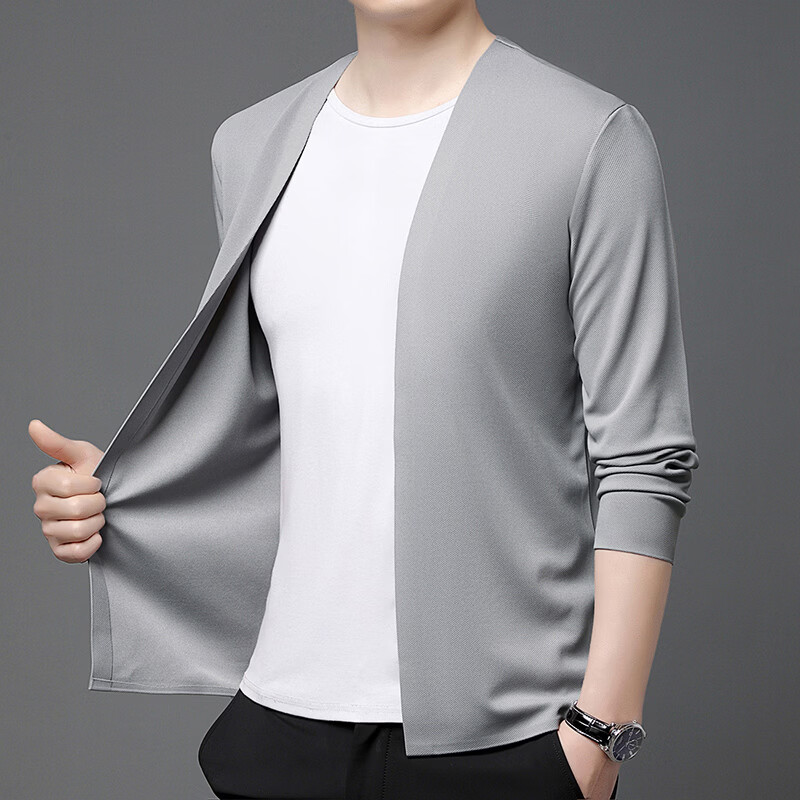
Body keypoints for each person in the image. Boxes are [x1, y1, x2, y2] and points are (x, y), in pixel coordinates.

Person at [29, 2, 699, 798]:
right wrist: (130, 493)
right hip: (278, 731)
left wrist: (599, 737)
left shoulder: (588, 139)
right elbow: (298, 430)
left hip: (505, 740)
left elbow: (643, 458)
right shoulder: (250, 145)